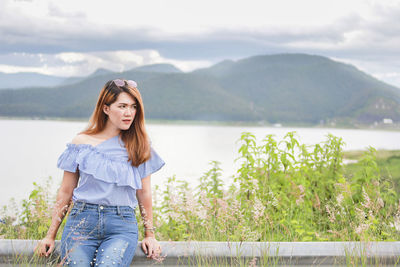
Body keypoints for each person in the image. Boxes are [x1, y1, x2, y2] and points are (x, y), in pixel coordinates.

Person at [35, 79, 165, 266]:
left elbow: (144, 193)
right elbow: (65, 191)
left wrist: (150, 235)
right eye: (122, 106)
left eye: (133, 107)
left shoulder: (140, 145)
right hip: (81, 221)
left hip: (121, 226)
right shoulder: (81, 142)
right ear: (106, 108)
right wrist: (50, 235)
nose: (129, 113)